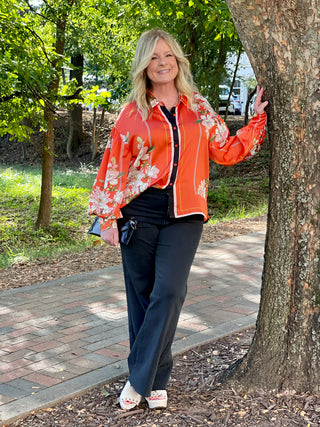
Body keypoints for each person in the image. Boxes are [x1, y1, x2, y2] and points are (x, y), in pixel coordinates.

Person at [89, 29, 268, 411]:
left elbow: (225, 149)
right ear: (144, 65)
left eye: (168, 55)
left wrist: (256, 123)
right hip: (139, 213)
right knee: (142, 298)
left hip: (186, 212)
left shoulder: (197, 107)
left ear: (178, 61)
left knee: (169, 292)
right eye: (154, 58)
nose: (163, 63)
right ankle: (155, 381)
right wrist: (106, 217)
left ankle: (137, 380)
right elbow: (113, 166)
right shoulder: (132, 112)